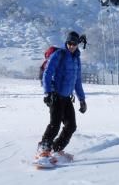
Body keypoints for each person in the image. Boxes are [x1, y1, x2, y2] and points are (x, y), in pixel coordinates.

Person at [36, 31, 87, 165]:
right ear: (66, 43)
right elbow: (48, 73)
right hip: (55, 95)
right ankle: (43, 150)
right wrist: (47, 93)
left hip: (67, 97)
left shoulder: (76, 59)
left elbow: (77, 81)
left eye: (74, 44)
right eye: (69, 43)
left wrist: (82, 99)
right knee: (55, 124)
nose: (71, 46)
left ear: (77, 45)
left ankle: (56, 149)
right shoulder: (59, 54)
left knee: (71, 126)